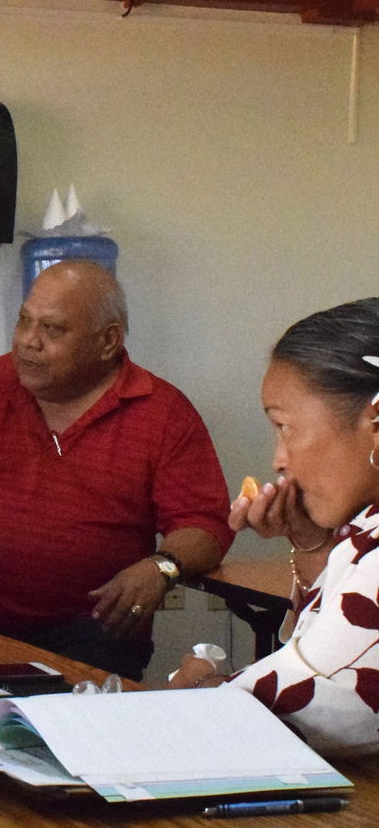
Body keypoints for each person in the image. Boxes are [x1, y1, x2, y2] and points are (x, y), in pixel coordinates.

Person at [0, 261, 234, 679]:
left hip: (89, 629)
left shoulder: (163, 412)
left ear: (108, 341)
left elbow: (206, 525)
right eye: (24, 322)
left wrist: (161, 567)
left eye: (52, 329)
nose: (28, 342)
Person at [165, 298, 379, 758]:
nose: (278, 460)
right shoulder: (364, 531)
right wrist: (310, 539)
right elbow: (325, 644)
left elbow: (300, 710)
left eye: (284, 426)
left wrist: (202, 684)